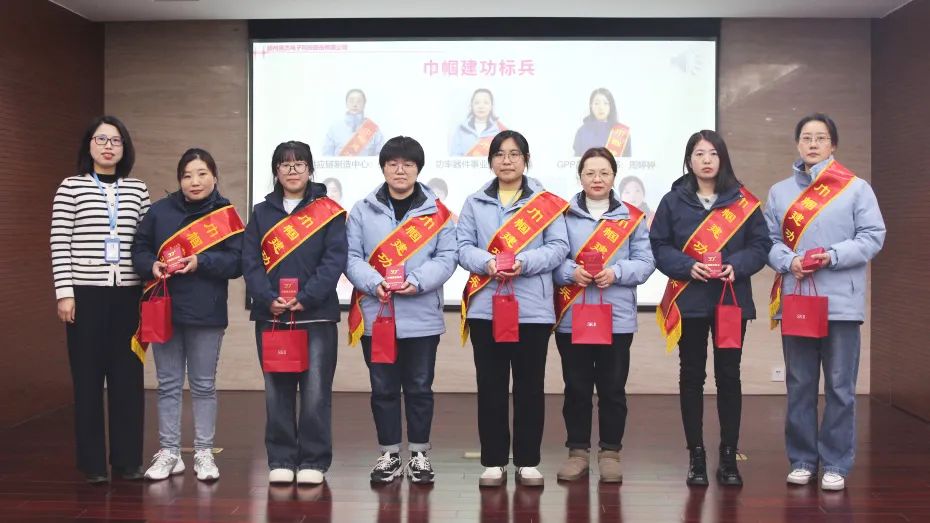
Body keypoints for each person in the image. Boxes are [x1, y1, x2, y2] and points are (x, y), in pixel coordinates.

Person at [764, 114, 885, 491]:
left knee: (839, 387)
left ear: (833, 144)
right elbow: (768, 241)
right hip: (798, 298)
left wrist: (831, 256)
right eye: (806, 137)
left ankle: (835, 463)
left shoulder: (856, 188)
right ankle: (802, 459)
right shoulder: (780, 192)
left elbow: (872, 237)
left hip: (841, 304)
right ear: (797, 144)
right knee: (800, 383)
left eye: (820, 137)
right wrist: (789, 261)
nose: (813, 144)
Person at [650, 130, 771, 487]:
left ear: (723, 158)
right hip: (690, 300)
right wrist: (687, 266)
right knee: (691, 376)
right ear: (689, 160)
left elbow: (761, 244)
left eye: (713, 153)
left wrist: (738, 265)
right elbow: (659, 245)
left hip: (729, 301)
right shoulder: (673, 201)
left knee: (729, 376)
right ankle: (697, 456)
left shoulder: (743, 201)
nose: (706, 160)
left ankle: (729, 456)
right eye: (699, 153)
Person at [457, 130, 570, 487]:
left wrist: (524, 262)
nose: (507, 161)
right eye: (500, 154)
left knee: (529, 387)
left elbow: (558, 247)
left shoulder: (546, 203)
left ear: (526, 159)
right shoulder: (475, 202)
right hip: (486, 308)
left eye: (514, 154)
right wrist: (487, 263)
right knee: (490, 386)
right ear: (490, 161)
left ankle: (527, 461)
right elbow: (463, 247)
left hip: (532, 309)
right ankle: (493, 461)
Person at [345, 136, 458, 484]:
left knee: (420, 387)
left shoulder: (437, 212)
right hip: (377, 313)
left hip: (421, 316)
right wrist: (373, 282)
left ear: (418, 169)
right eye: (393, 163)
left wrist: (417, 281)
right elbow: (350, 257)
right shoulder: (362, 210)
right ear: (383, 167)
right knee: (383, 388)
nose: (400, 170)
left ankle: (420, 454)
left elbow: (448, 257)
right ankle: (389, 454)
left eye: (408, 164)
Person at [131, 148, 244, 482]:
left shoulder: (226, 214)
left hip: (206, 312)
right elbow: (139, 248)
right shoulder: (159, 211)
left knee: (203, 385)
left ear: (214, 177)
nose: (195, 181)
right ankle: (169, 452)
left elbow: (237, 262)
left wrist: (201, 262)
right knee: (167, 384)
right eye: (187, 175)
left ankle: (204, 452)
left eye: (202, 174)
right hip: (163, 308)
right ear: (179, 179)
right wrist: (150, 265)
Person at [50, 115, 150, 483]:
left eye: (116, 140)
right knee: (88, 380)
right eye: (101, 139)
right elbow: (59, 242)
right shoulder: (71, 187)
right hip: (85, 297)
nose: (109, 146)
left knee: (128, 379)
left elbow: (145, 242)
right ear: (89, 145)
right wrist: (65, 293)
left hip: (128, 297)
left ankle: (127, 461)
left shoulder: (137, 190)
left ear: (125, 148)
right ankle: (92, 465)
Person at [242, 140, 348, 485]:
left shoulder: (329, 211)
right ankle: (281, 459)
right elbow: (250, 261)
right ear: (276, 171)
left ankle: (314, 460)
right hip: (272, 316)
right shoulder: (261, 213)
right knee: (277, 390)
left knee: (315, 392)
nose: (292, 170)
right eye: (285, 164)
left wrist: (307, 297)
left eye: (299, 164)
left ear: (310, 169)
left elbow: (334, 260)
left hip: (315, 315)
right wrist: (266, 297)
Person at [552, 147, 655, 483]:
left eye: (604, 173)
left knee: (612, 388)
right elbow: (553, 257)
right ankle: (577, 452)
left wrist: (617, 272)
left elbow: (646, 261)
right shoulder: (562, 215)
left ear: (614, 176)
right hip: (573, 315)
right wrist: (571, 272)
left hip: (617, 316)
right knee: (576, 387)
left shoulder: (632, 217)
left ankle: (610, 452)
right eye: (590, 173)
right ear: (580, 176)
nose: (597, 179)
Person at [572, 88, 632, 157]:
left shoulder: (621, 133)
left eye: (605, 103)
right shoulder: (582, 131)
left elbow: (626, 161)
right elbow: (577, 160)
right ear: (591, 106)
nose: (601, 107)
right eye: (596, 103)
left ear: (611, 106)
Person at [322, 89, 384, 156]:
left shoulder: (373, 129)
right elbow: (327, 156)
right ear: (346, 104)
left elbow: (381, 156)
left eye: (359, 101)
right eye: (351, 101)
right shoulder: (334, 128)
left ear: (364, 104)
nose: (355, 104)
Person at [450, 88, 505, 157]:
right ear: (471, 106)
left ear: (491, 106)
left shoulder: (499, 130)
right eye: (477, 102)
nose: (481, 106)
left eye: (486, 102)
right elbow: (454, 156)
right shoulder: (461, 129)